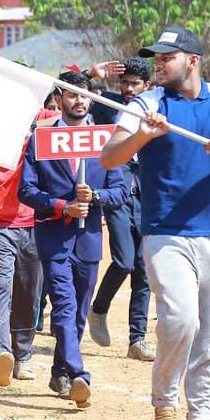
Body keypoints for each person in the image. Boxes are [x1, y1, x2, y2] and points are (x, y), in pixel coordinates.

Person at [100, 26, 210, 420]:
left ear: (192, 60)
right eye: (155, 57)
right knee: (180, 321)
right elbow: (109, 157)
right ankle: (165, 409)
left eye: (166, 57)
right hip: (166, 234)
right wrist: (143, 136)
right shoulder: (146, 103)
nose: (157, 63)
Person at [18, 71, 127, 408]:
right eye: (72, 95)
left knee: (79, 311)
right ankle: (79, 374)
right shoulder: (41, 140)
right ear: (59, 98)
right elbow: (26, 190)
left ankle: (60, 371)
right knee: (64, 306)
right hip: (54, 237)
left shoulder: (106, 139)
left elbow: (120, 190)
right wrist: (62, 206)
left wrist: (95, 196)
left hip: (89, 239)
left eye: (85, 95)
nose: (79, 101)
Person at [0, 108, 57, 387]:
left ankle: (23, 356)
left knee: (29, 294)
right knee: (1, 287)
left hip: (35, 226)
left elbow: (63, 118)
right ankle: (2, 353)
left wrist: (32, 129)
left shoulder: (40, 128)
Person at [87, 58, 156, 362]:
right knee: (124, 261)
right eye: (124, 83)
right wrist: (91, 75)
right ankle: (98, 309)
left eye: (134, 84)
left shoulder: (158, 109)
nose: (128, 89)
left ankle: (137, 339)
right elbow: (66, 92)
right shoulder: (107, 104)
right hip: (116, 193)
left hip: (147, 196)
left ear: (147, 86)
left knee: (143, 269)